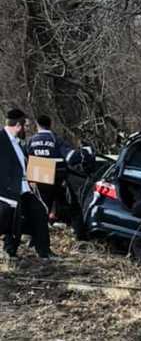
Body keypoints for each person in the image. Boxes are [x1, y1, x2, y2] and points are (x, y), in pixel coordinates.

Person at [0, 109, 52, 260]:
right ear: (18, 125)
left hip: (25, 188)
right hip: (8, 190)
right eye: (26, 126)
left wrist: (46, 172)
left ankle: (44, 251)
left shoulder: (19, 143)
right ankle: (10, 252)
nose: (27, 129)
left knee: (40, 211)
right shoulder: (1, 139)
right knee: (14, 220)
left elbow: (24, 165)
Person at [27, 114, 78, 220]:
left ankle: (42, 219)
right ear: (50, 125)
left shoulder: (31, 140)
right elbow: (70, 156)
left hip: (38, 173)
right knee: (57, 195)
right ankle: (53, 216)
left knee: (41, 198)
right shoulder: (55, 139)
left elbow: (25, 157)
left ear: (37, 125)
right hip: (56, 173)